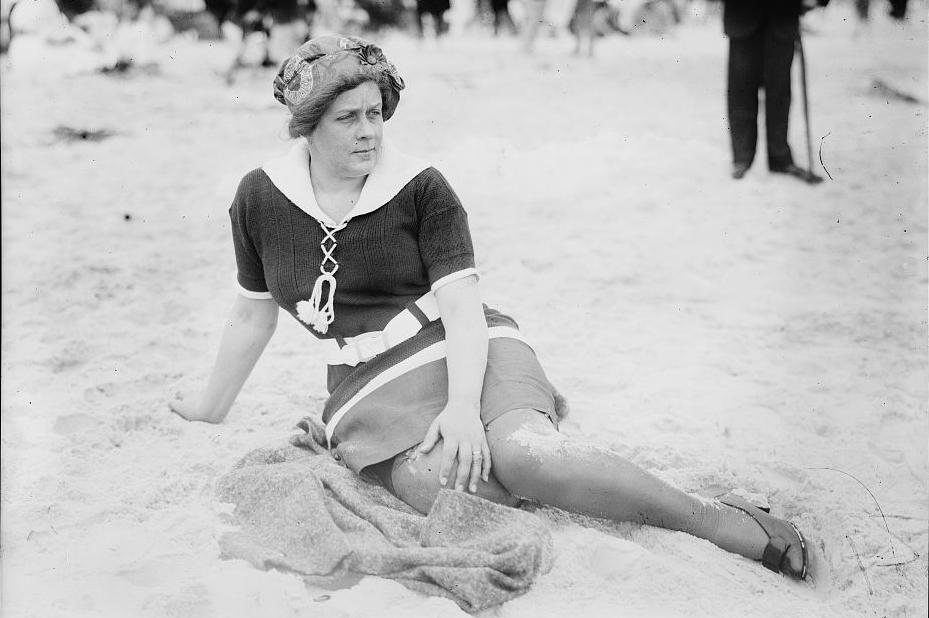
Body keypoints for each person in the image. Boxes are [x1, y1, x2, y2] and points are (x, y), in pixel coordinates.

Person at [171, 34, 815, 583]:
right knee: (440, 489)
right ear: (308, 126)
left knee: (527, 458)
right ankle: (567, 488)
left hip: (459, 342)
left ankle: (717, 520)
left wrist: (461, 407)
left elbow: (462, 305)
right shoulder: (260, 197)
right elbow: (254, 311)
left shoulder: (422, 187)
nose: (369, 131)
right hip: (365, 382)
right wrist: (209, 406)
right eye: (348, 118)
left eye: (376, 113)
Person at [722, 0, 829, 183]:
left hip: (782, 17)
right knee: (741, 91)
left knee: (780, 92)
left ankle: (780, 157)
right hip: (742, 15)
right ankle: (741, 157)